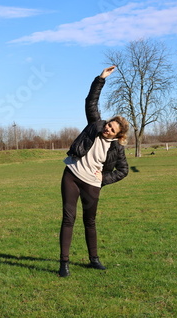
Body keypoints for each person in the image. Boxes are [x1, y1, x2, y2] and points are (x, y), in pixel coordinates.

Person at [58, 66, 130, 277]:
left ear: (118, 135)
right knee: (68, 218)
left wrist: (104, 178)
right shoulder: (95, 125)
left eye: (112, 128)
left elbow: (123, 171)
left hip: (92, 183)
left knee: (90, 221)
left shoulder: (117, 148)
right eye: (108, 124)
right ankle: (64, 264)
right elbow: (91, 101)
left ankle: (94, 260)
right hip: (72, 175)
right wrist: (101, 79)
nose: (107, 128)